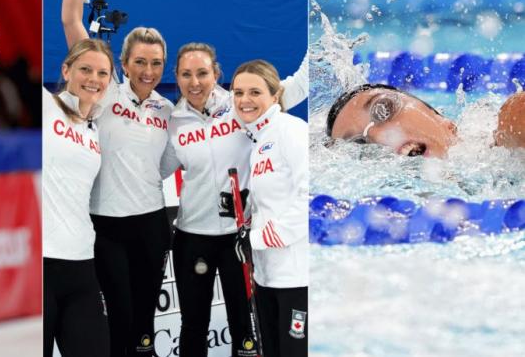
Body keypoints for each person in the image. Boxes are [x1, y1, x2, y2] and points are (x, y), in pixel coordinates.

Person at [62, 0, 174, 357]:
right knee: (120, 322)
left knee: (145, 325)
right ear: (123, 64)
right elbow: (71, 21)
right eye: (140, 62)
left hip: (152, 226)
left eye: (156, 63)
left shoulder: (167, 108)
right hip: (105, 227)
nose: (149, 70)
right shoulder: (104, 90)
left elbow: (163, 167)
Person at [161, 43, 307, 357]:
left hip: (237, 238)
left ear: (216, 74)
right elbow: (155, 169)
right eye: (186, 74)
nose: (195, 82)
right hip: (193, 236)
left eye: (202, 73)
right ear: (176, 77)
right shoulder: (174, 121)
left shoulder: (240, 105)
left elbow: (285, 94)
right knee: (194, 324)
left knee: (245, 326)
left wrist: (321, 50)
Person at [231, 60, 309, 357]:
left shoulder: (289, 130)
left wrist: (256, 239)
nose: (244, 100)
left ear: (275, 95)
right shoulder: (257, 139)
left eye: (254, 92)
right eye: (238, 93)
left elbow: (308, 197)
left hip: (296, 276)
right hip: (267, 276)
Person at [43, 38, 114, 357]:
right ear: (66, 70)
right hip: (42, 267)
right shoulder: (45, 106)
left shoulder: (94, 129)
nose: (94, 79)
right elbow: (70, 20)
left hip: (82, 266)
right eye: (85, 69)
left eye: (102, 73)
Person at [327, 83, 525, 157]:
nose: (378, 136)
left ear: (443, 120)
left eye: (384, 109)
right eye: (359, 144)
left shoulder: (513, 124)